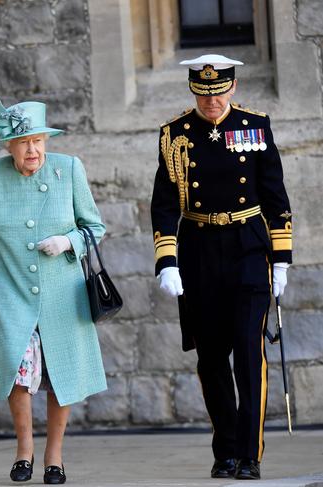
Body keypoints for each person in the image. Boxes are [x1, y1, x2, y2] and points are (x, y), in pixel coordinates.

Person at [151, 54, 293, 481]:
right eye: (203, 94)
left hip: (248, 246)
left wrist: (282, 260)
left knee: (249, 355)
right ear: (194, 91)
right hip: (198, 249)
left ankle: (250, 454)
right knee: (211, 356)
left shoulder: (255, 125)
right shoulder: (174, 134)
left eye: (218, 93)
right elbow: (163, 204)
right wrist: (167, 261)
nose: (211, 102)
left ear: (232, 88)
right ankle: (226, 451)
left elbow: (275, 197)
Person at [0, 101, 107, 484]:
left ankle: (54, 456)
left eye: (38, 140)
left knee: (61, 373)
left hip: (64, 294)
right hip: (14, 294)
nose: (32, 150)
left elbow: (95, 226)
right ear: (7, 146)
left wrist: (68, 241)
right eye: (23, 142)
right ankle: (23, 451)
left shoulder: (69, 169)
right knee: (18, 372)